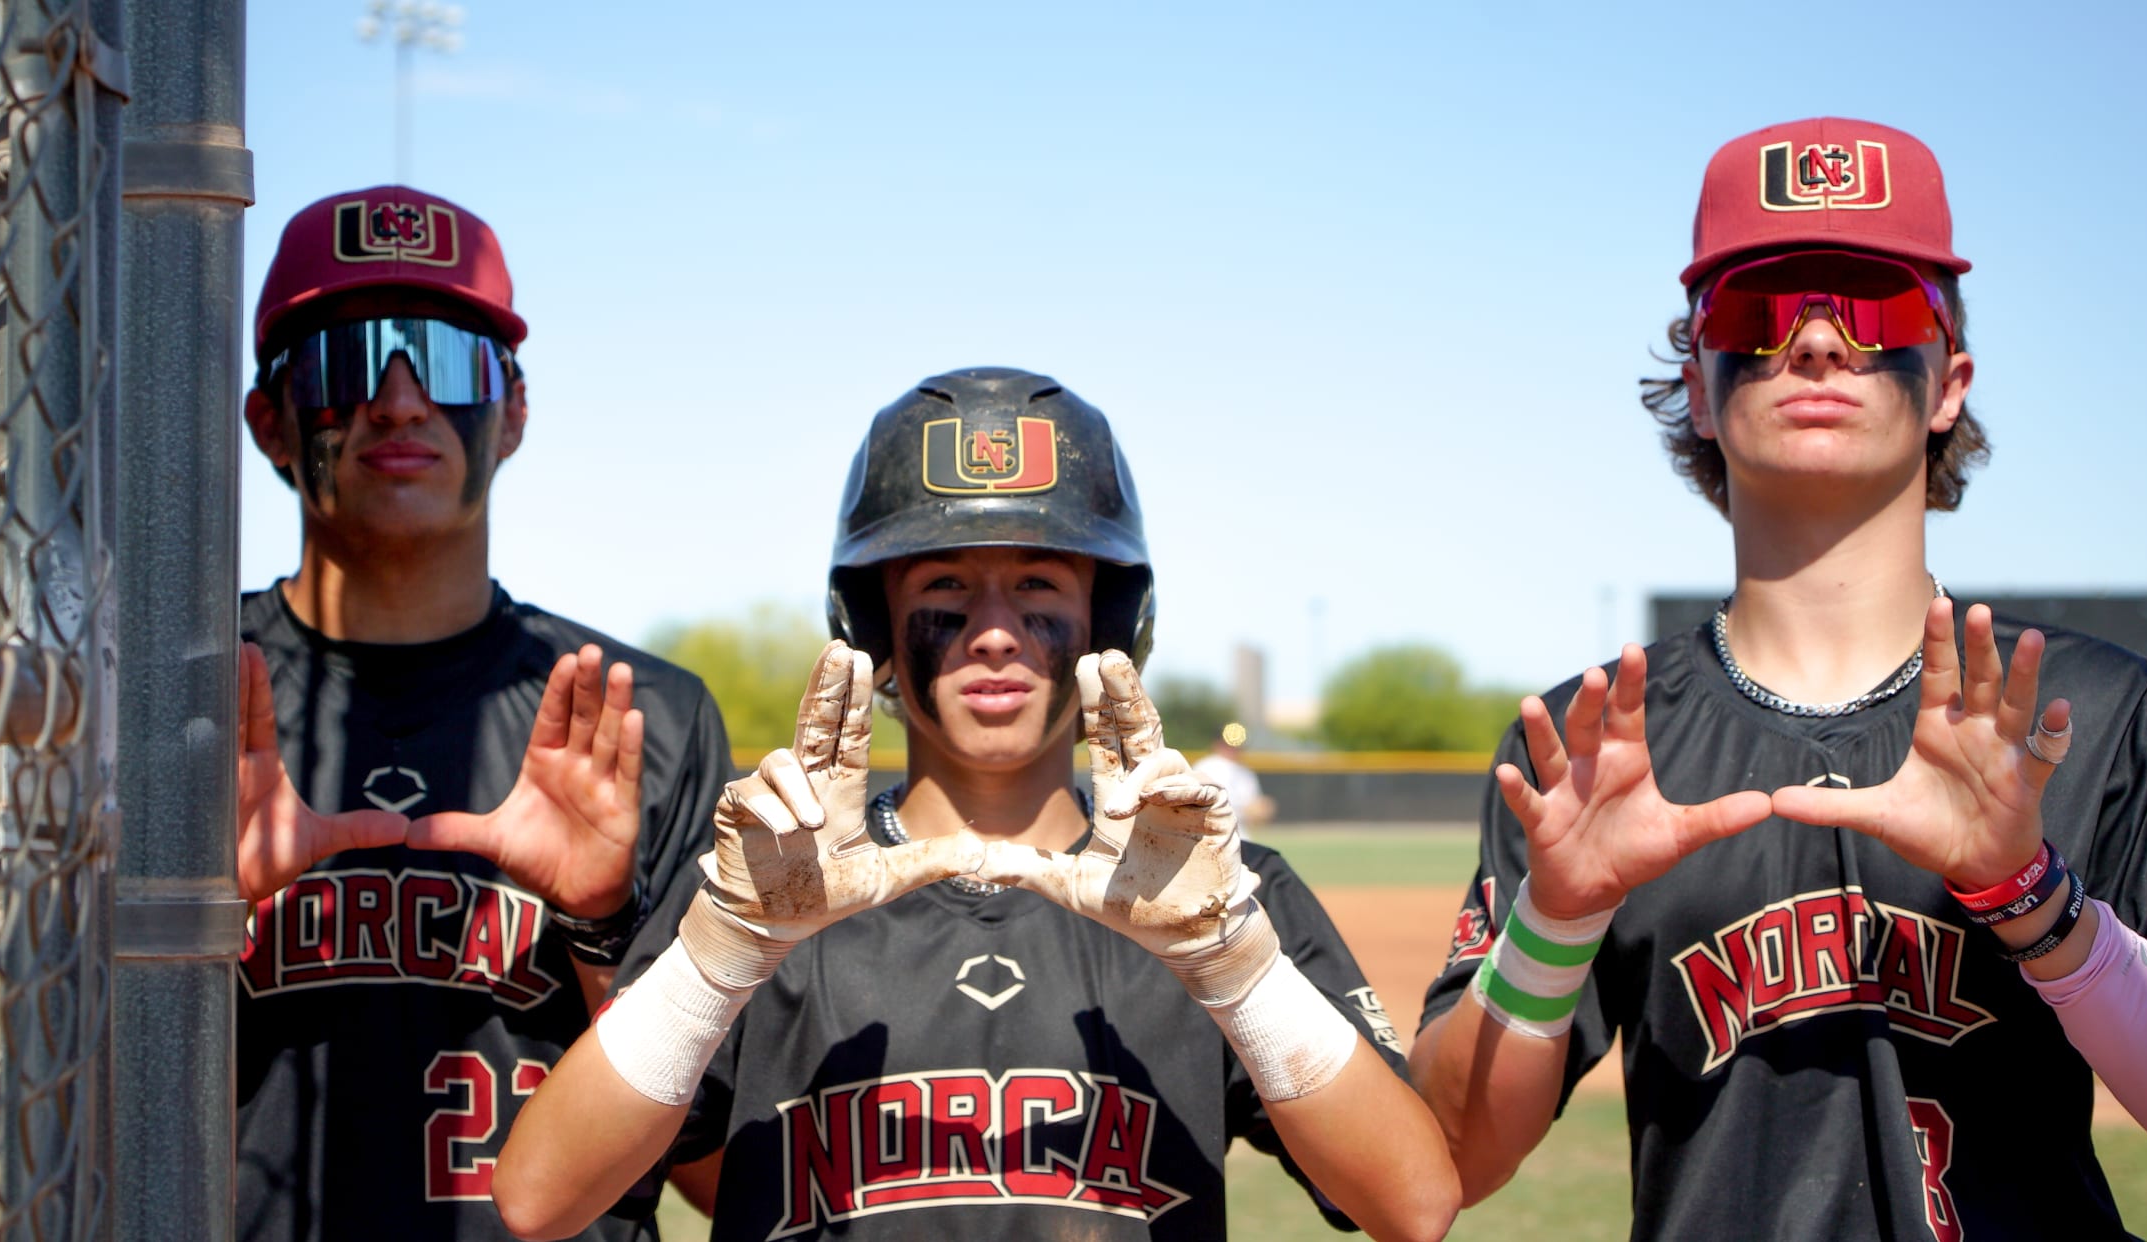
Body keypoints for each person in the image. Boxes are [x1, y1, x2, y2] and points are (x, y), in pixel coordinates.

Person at [1411, 117, 2147, 1240]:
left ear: (1950, 380)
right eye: (1759, 314)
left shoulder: (2086, 714)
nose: (1819, 345)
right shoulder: (1597, 744)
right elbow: (1448, 1165)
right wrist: (1556, 921)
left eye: (1877, 309)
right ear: (1702, 385)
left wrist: (2032, 899)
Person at [490, 367, 1460, 1240]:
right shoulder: (775, 880)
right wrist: (723, 955)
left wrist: (1236, 970)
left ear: (1109, 620)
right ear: (869, 625)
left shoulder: (1200, 890)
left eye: (1038, 582)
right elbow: (540, 1200)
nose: (994, 632)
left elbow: (1413, 1207)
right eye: (948, 584)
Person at [234, 185, 733, 1240]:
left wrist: (604, 926)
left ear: (511, 412)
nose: (401, 400)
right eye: (348, 357)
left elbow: (716, 1174)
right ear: (271, 421)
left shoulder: (636, 721)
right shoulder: (181, 707)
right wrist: (187, 919)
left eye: (447, 357)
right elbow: (12, 1140)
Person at [1194, 722, 1277, 829]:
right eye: (1228, 743)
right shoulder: (1205, 766)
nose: (1233, 748)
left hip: (1240, 834)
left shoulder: (1245, 772)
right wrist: (1247, 810)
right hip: (1211, 834)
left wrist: (1261, 809)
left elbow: (1256, 811)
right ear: (1217, 743)